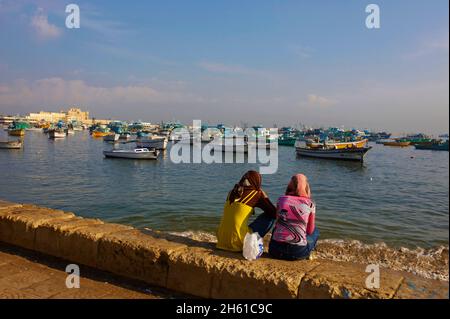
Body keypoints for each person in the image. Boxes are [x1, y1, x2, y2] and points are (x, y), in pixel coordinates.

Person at [216, 170, 276, 252]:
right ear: (257, 182)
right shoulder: (256, 194)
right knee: (269, 217)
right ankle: (256, 243)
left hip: (221, 241)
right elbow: (275, 213)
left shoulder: (231, 192)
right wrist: (265, 197)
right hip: (239, 243)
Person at [269, 174, 319, 260]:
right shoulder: (310, 203)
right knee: (315, 231)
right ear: (305, 186)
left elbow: (277, 223)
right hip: (298, 253)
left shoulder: (281, 199)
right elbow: (310, 231)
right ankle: (308, 252)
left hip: (275, 251)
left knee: (278, 228)